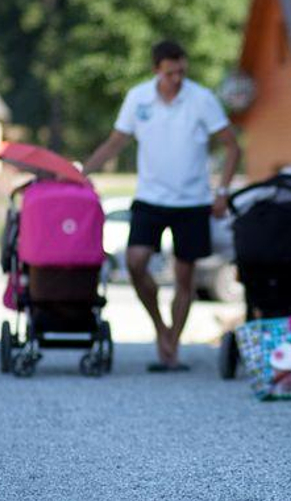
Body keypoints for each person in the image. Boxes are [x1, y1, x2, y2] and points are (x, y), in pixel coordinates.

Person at [82, 40, 240, 371]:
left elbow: (231, 146)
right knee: (136, 262)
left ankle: (172, 347)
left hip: (192, 201)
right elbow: (115, 142)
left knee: (185, 277)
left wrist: (222, 191)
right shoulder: (138, 97)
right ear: (157, 70)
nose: (177, 78)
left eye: (182, 71)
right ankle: (160, 328)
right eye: (170, 73)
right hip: (151, 198)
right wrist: (82, 172)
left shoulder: (201, 99)